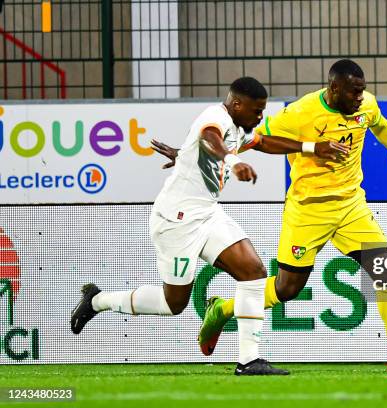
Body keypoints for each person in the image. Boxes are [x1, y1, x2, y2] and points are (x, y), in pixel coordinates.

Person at [155, 60, 387, 374]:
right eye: (353, 92)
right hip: (308, 210)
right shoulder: (302, 112)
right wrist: (189, 154)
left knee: (385, 270)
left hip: (352, 206)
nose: (359, 98)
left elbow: (380, 126)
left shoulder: (366, 105)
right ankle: (223, 309)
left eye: (362, 92)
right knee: (287, 289)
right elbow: (256, 138)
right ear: (334, 88)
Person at [70, 76, 348, 376]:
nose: (260, 116)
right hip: (176, 220)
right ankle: (97, 300)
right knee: (172, 303)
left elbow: (264, 141)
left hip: (207, 214)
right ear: (237, 104)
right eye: (256, 110)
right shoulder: (215, 118)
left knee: (253, 271)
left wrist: (311, 148)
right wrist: (232, 161)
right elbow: (208, 138)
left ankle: (249, 360)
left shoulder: (240, 128)